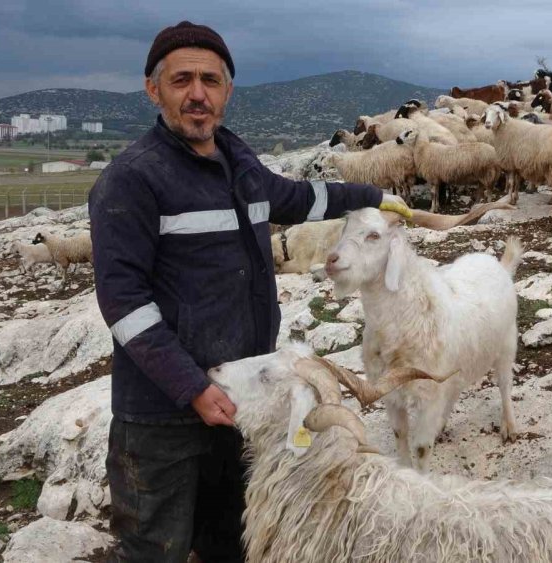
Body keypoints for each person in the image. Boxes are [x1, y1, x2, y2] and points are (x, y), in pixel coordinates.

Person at [88, 21, 408, 562]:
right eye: (182, 80)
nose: (197, 95)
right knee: (154, 550)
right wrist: (189, 385)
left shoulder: (240, 165)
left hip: (241, 398)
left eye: (210, 81)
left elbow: (299, 198)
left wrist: (374, 194)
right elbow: (123, 302)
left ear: (228, 90)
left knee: (231, 542)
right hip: (163, 415)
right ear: (153, 89)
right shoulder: (132, 179)